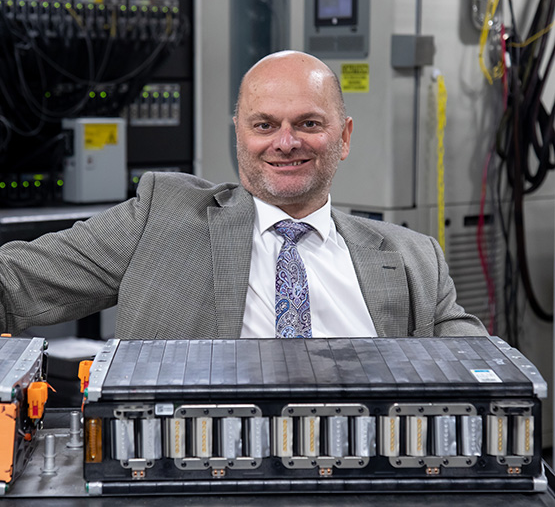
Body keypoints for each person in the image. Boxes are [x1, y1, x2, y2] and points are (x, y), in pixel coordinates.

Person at [0, 50, 487, 340]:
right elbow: (15, 284)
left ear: (344, 137)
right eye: (264, 125)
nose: (286, 141)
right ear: (239, 134)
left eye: (309, 124)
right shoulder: (159, 217)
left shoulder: (414, 259)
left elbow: (483, 375)